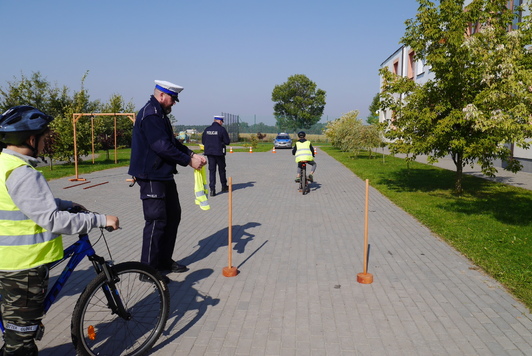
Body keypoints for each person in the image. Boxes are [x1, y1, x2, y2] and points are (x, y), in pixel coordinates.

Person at [0, 105, 119, 356]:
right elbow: (52, 220)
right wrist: (99, 220)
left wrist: (67, 204)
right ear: (31, 139)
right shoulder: (22, 174)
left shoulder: (4, 164)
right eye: (43, 138)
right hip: (24, 267)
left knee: (16, 330)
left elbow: (23, 204)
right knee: (20, 344)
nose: (45, 144)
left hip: (7, 261)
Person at [128, 80, 206, 279]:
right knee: (156, 222)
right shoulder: (151, 114)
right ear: (161, 95)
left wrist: (191, 154)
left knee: (172, 217)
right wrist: (188, 161)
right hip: (151, 176)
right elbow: (161, 146)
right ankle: (148, 271)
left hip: (163, 175)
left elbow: (171, 141)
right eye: (172, 99)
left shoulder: (159, 113)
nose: (174, 103)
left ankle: (163, 260)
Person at [202, 115, 230, 196]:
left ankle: (212, 190)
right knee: (221, 170)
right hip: (219, 153)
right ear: (220, 121)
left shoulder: (207, 129)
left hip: (209, 153)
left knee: (212, 171)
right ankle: (224, 186)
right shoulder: (221, 129)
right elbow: (227, 142)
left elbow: (204, 141)